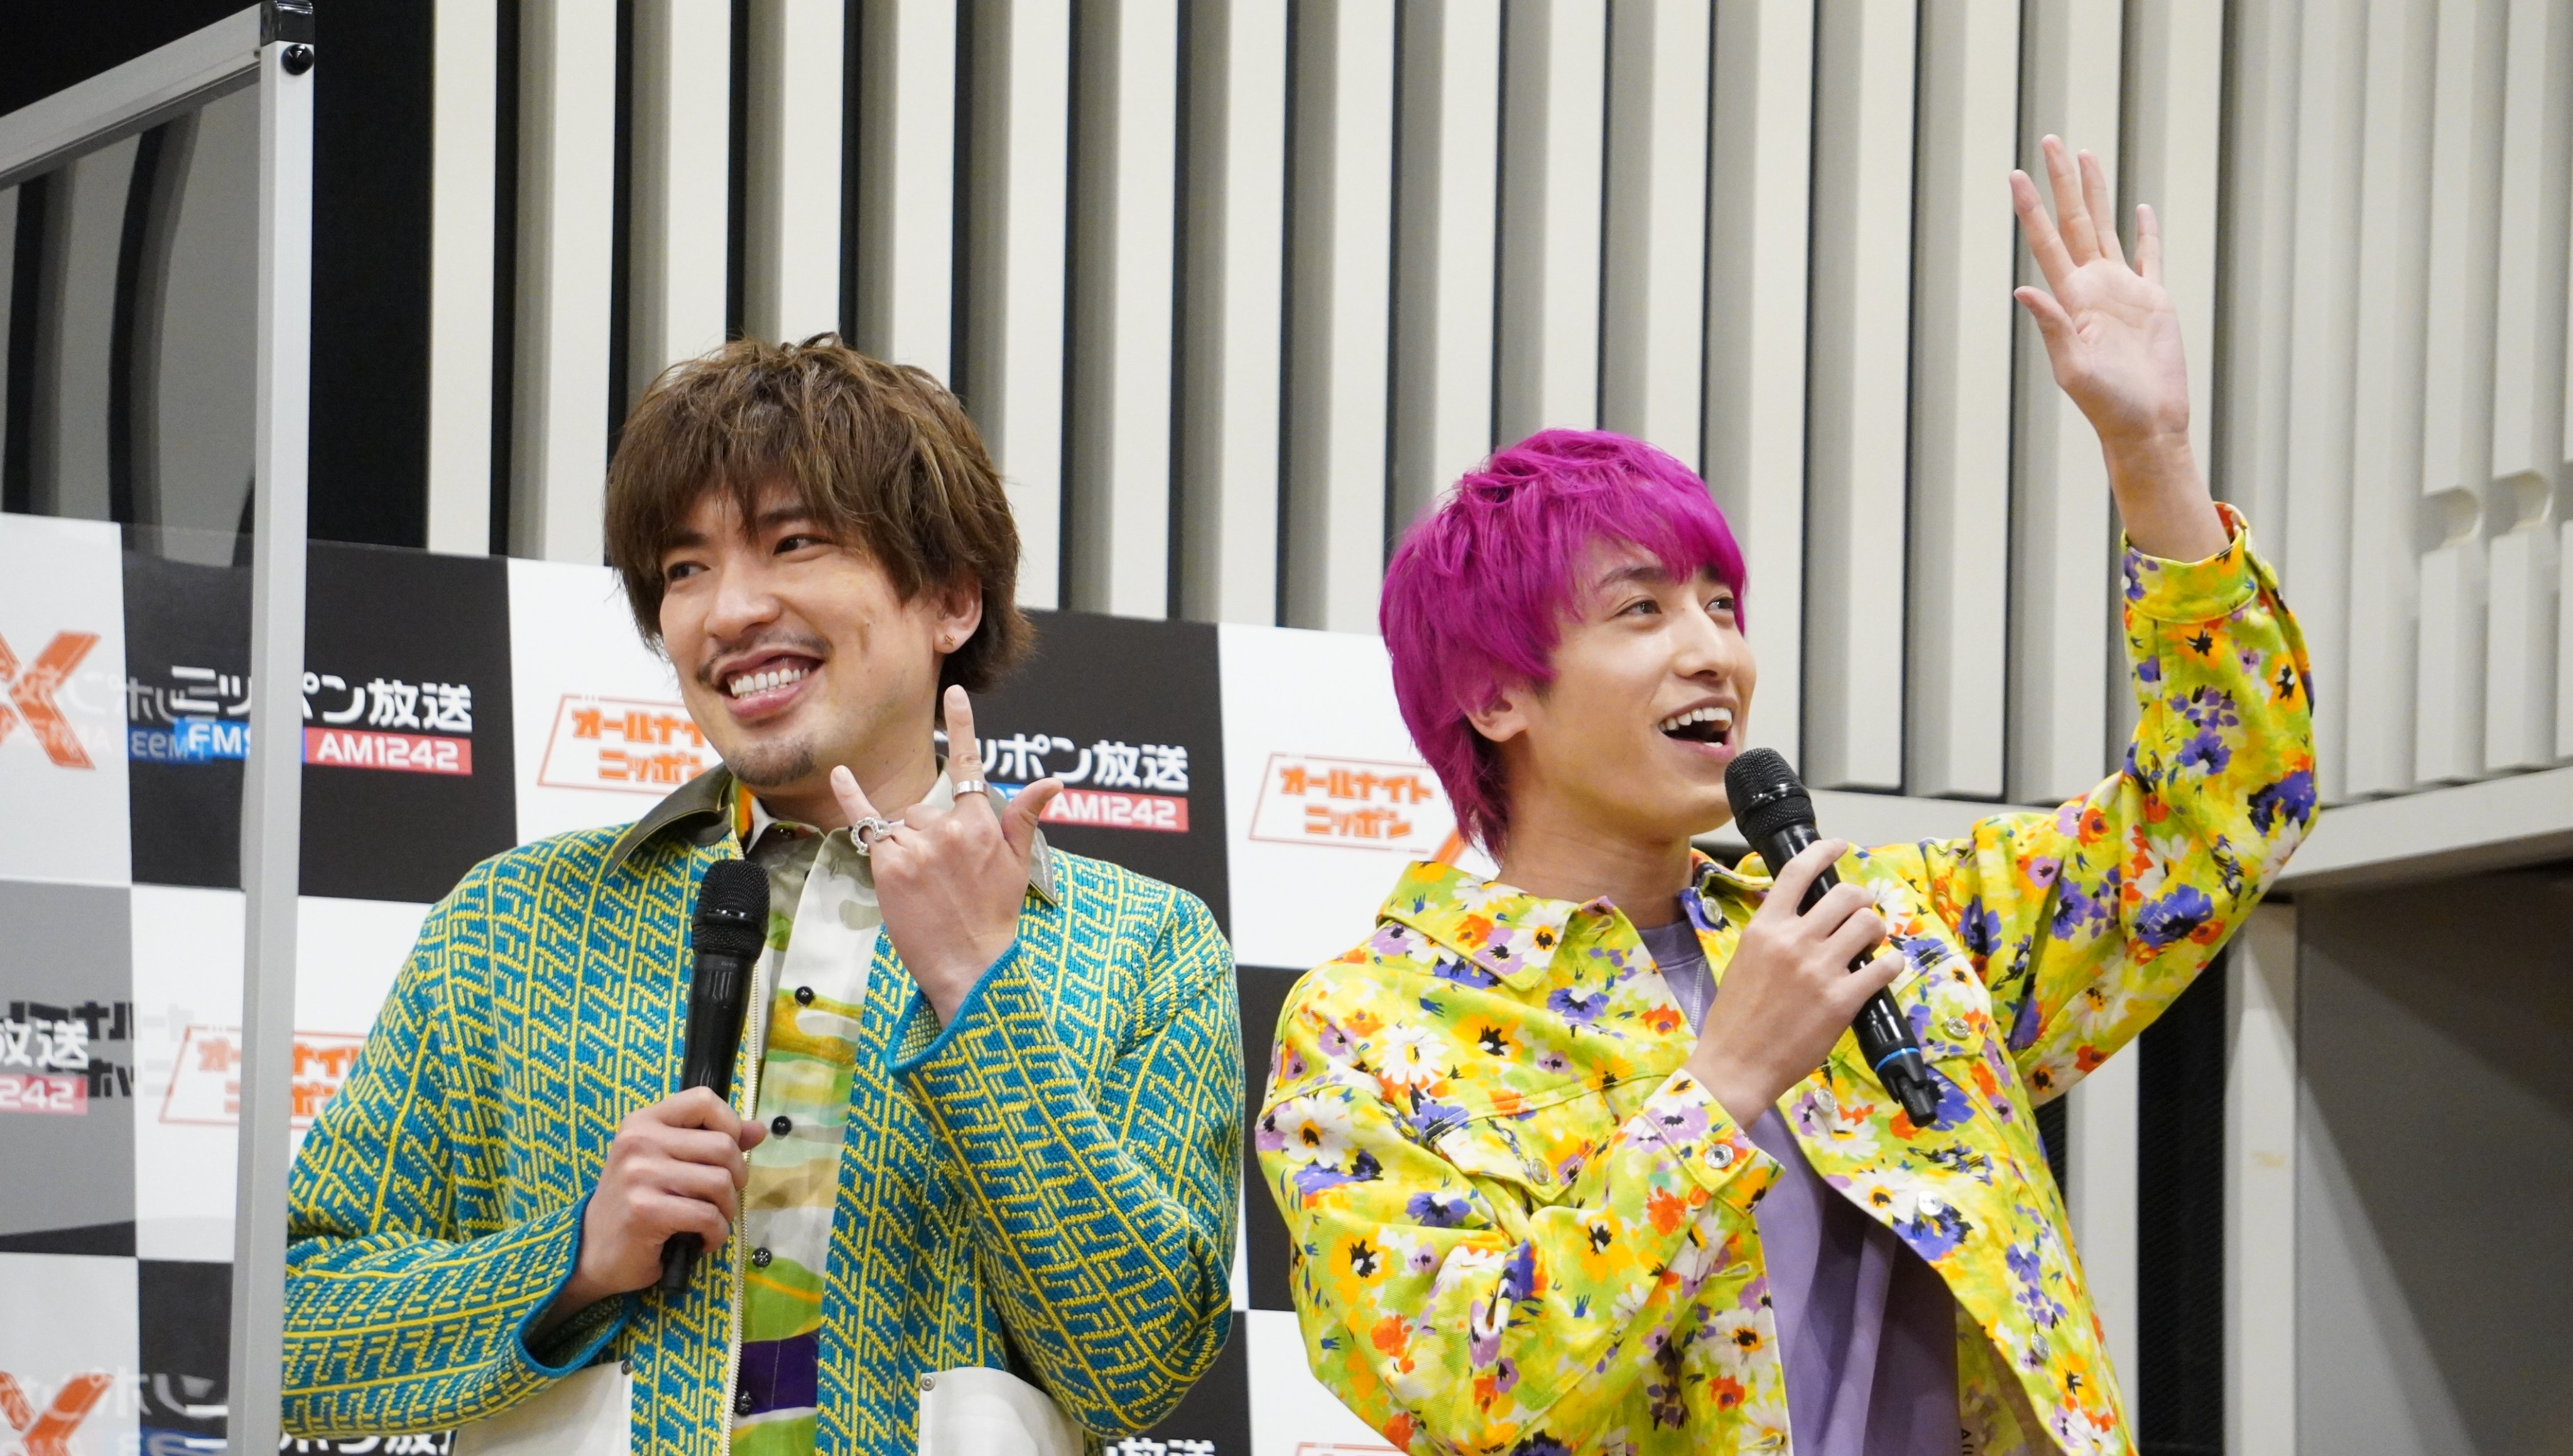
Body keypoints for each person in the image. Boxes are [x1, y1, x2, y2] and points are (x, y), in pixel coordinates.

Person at [1255, 136, 2315, 1454]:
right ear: (1493, 695)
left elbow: (2221, 810)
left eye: (1721, 605)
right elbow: (1450, 1384)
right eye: (1640, 610)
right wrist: (1722, 1083)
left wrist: (2151, 454)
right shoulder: (1379, 1026)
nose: (1714, 651)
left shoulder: (1890, 926)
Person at [279, 338, 1242, 1455]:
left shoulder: (1142, 943)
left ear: (951, 597)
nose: (729, 610)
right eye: (685, 568)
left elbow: (1141, 1366)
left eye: (794, 543)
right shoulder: (512, 924)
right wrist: (571, 1259)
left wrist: (980, 999)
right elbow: (290, 1327)